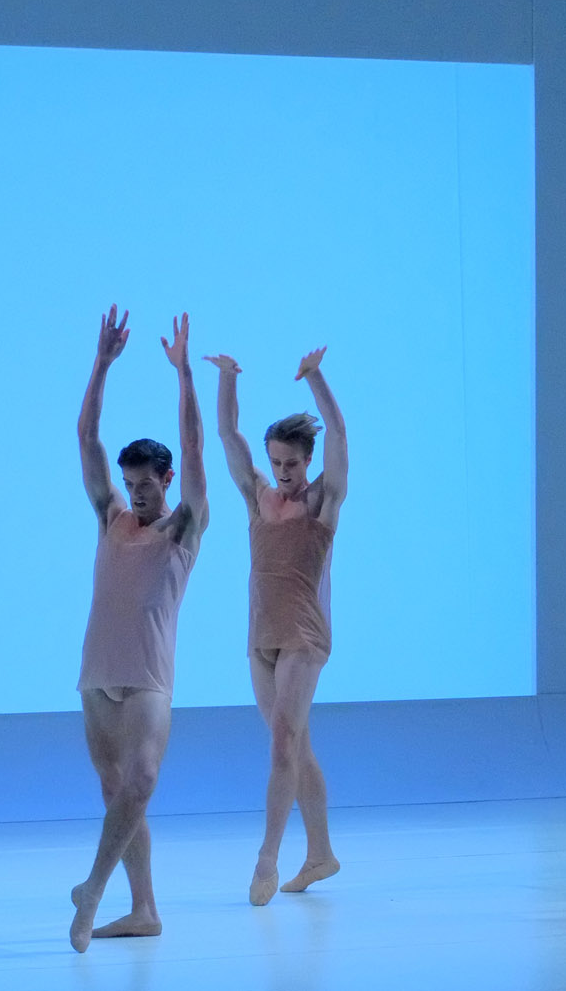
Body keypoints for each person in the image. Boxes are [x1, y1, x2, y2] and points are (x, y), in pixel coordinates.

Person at [69, 307, 209, 950]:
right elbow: (86, 437)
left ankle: (92, 889)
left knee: (142, 782)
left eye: (146, 485)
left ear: (167, 481)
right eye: (130, 485)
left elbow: (196, 445)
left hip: (149, 676)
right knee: (115, 793)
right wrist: (101, 364)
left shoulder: (183, 528)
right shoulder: (111, 519)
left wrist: (183, 375)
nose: (136, 494)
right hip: (98, 673)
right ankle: (144, 908)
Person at [205, 345, 347, 905]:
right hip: (261, 637)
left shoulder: (323, 501)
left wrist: (315, 376)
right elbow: (227, 435)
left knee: (284, 742)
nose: (285, 473)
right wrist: (227, 380)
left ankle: (267, 858)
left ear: (306, 460)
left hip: (305, 637)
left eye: (293, 463)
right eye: (278, 463)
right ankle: (321, 854)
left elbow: (337, 431)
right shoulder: (257, 498)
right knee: (293, 744)